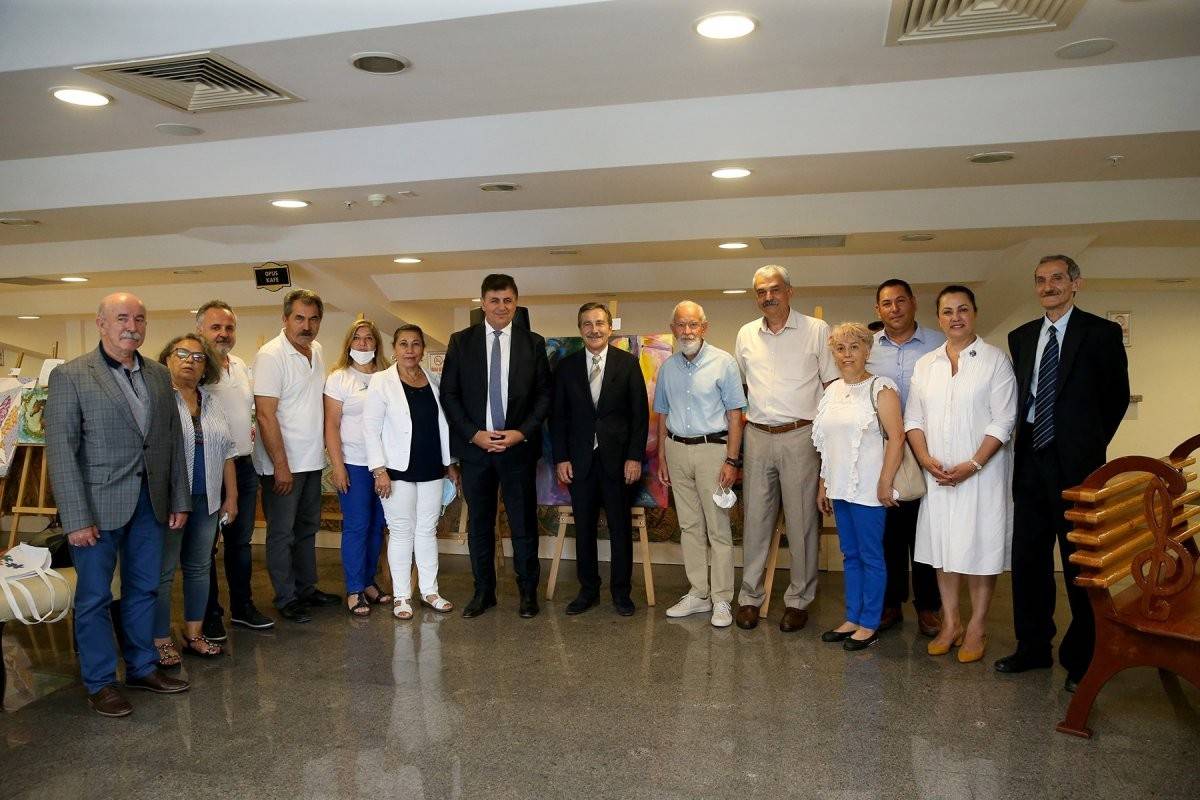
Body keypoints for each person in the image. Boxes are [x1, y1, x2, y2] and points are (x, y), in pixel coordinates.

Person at [44, 292, 191, 717]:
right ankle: (101, 682)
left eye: (139, 319)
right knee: (94, 598)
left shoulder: (159, 375)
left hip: (151, 505)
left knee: (145, 589)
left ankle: (142, 667)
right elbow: (62, 451)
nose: (132, 326)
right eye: (122, 318)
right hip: (96, 509)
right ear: (102, 323)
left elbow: (171, 442)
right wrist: (76, 518)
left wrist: (179, 497)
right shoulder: (72, 376)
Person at [995, 255, 1130, 692]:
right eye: (1040, 280)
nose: (1048, 286)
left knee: (1077, 564)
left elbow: (1116, 398)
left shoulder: (1101, 333)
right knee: (1028, 559)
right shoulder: (1021, 337)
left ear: (1076, 283)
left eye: (1057, 278)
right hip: (1030, 460)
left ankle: (1081, 658)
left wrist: (1086, 445)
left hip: (1077, 466)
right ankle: (1033, 647)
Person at [905, 286, 1017, 663]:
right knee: (943, 548)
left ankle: (976, 627)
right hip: (938, 475)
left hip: (982, 474)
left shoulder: (995, 361)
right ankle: (951, 623)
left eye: (963, 309)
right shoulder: (926, 364)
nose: (956, 317)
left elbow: (1004, 420)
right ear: (938, 318)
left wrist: (973, 464)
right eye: (948, 311)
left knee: (980, 548)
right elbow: (913, 418)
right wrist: (924, 458)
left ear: (974, 313)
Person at [439, 274, 552, 619]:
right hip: (476, 450)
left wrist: (521, 433)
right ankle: (483, 592)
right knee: (480, 525)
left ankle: (528, 594)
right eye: (494, 300)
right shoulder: (461, 342)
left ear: (516, 303)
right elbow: (449, 395)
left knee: (523, 524)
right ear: (483, 303)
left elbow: (544, 396)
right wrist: (473, 434)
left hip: (518, 449)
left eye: (507, 300)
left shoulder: (534, 343)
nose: (501, 307)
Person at [734, 265, 838, 633]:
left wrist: (827, 446)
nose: (768, 297)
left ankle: (799, 599)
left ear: (789, 291)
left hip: (800, 435)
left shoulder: (816, 330)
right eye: (761, 291)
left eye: (775, 289)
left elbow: (832, 387)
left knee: (802, 522)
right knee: (755, 521)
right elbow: (741, 388)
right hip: (757, 435)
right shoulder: (746, 334)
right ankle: (749, 597)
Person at [551, 302, 649, 617]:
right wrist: (561, 457)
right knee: (584, 530)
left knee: (620, 529)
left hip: (618, 463)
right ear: (580, 329)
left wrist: (634, 457)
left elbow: (639, 416)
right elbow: (558, 417)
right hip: (579, 462)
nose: (594, 329)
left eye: (599, 323)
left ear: (609, 327)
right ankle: (588, 590)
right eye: (587, 324)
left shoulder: (628, 363)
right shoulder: (566, 367)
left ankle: (621, 593)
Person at [812, 322, 904, 650]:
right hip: (839, 486)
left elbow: (897, 438)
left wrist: (885, 482)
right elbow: (826, 444)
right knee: (849, 555)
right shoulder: (832, 391)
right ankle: (852, 617)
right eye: (840, 348)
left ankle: (869, 623)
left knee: (871, 556)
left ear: (867, 350)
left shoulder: (882, 388)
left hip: (869, 489)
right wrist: (824, 484)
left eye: (854, 347)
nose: (847, 354)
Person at [655, 301, 747, 628]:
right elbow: (662, 414)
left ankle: (721, 599)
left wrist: (732, 460)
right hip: (676, 449)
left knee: (718, 528)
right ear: (673, 328)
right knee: (689, 527)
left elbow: (736, 415)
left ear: (704, 327)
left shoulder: (724, 363)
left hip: (713, 451)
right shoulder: (667, 368)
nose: (687, 331)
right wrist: (662, 456)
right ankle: (698, 593)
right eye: (681, 325)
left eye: (693, 324)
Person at [865, 279, 946, 637]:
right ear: (878, 309)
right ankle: (891, 604)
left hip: (928, 446)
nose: (894, 308)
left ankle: (928, 606)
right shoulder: (869, 348)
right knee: (890, 531)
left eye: (900, 301)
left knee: (926, 528)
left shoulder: (938, 343)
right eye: (886, 303)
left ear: (913, 302)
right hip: (883, 448)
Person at [253, 289, 339, 623]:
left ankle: (306, 589)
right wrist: (281, 466)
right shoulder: (271, 355)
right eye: (299, 318)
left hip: (312, 461)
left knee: (306, 529)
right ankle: (285, 597)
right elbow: (265, 415)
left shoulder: (316, 350)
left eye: (313, 319)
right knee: (282, 533)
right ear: (285, 318)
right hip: (283, 465)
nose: (307, 326)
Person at [363, 324, 459, 620]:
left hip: (432, 467)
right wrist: (379, 470)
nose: (409, 350)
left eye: (415, 344)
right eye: (403, 344)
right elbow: (370, 429)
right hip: (395, 470)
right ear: (394, 349)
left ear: (422, 349)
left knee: (427, 530)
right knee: (401, 532)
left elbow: (443, 426)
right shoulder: (381, 381)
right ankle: (402, 596)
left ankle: (430, 591)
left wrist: (450, 463)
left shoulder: (433, 380)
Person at [153, 334, 238, 665]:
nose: (190, 361)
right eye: (182, 354)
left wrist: (231, 496)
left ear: (206, 367)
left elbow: (228, 451)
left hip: (208, 499)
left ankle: (194, 635)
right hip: (172, 500)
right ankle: (161, 640)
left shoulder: (211, 401)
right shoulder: (160, 398)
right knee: (163, 571)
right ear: (167, 359)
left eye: (198, 357)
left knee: (200, 567)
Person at [196, 300, 274, 637]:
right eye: (215, 327)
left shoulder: (240, 365)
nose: (223, 334)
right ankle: (209, 615)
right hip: (208, 467)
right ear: (200, 329)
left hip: (243, 465)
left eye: (229, 328)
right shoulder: (196, 366)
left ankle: (243, 607)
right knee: (205, 547)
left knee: (240, 543)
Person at [324, 318, 393, 617]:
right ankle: (354, 589)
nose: (363, 344)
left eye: (368, 338)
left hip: (385, 465)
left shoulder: (388, 376)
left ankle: (368, 582)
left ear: (377, 343)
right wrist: (337, 466)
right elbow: (331, 425)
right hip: (353, 462)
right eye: (357, 338)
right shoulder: (339, 378)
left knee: (377, 526)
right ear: (348, 343)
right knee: (357, 526)